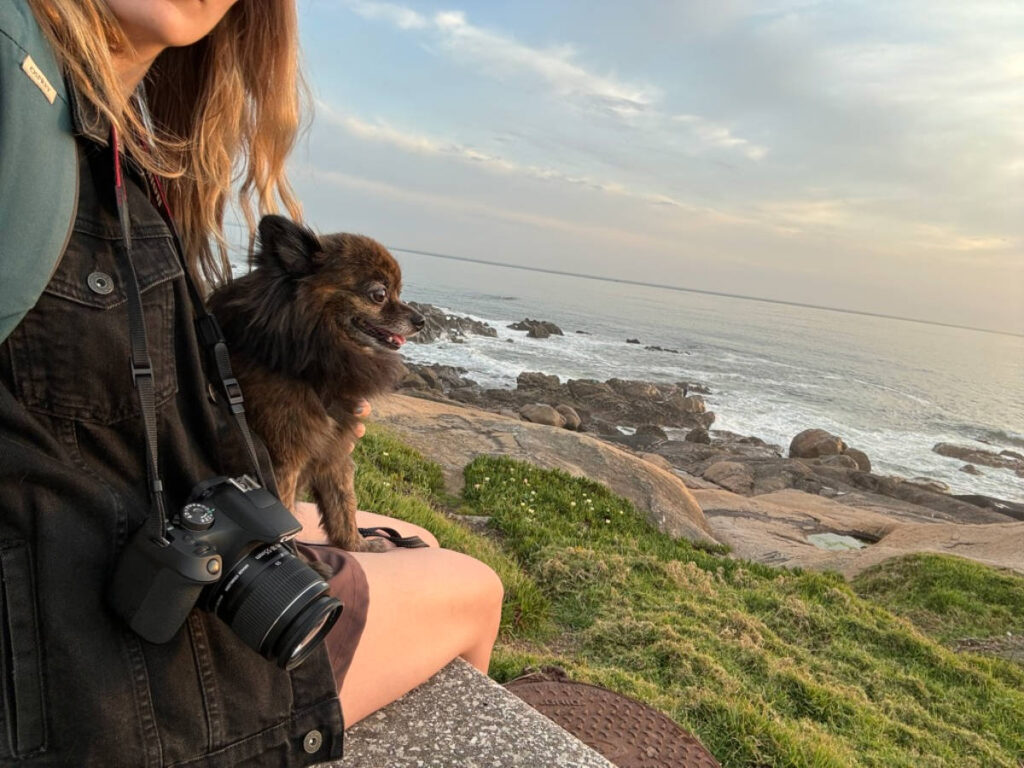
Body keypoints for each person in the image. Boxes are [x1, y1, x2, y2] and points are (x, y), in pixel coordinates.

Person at [0, 1, 503, 766]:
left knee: (416, 540)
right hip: (101, 674)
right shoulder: (23, 94)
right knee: (473, 588)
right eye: (373, 299)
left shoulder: (112, 149)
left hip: (141, 561)